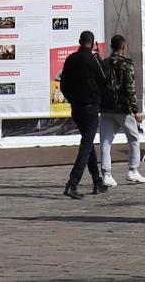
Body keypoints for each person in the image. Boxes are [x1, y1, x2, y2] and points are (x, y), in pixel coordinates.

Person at [58, 29, 110, 198]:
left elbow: (63, 84)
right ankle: (72, 183)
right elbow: (104, 79)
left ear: (79, 41)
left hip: (76, 107)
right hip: (90, 106)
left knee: (88, 143)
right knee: (86, 144)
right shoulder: (91, 59)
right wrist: (100, 60)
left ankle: (97, 181)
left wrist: (72, 99)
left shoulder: (71, 58)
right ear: (92, 43)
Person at [102, 33, 145, 184]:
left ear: (111, 47)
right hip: (122, 108)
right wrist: (136, 110)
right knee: (134, 138)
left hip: (106, 108)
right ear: (123, 47)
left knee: (106, 141)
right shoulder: (126, 64)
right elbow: (130, 89)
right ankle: (133, 170)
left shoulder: (104, 63)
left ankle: (106, 174)